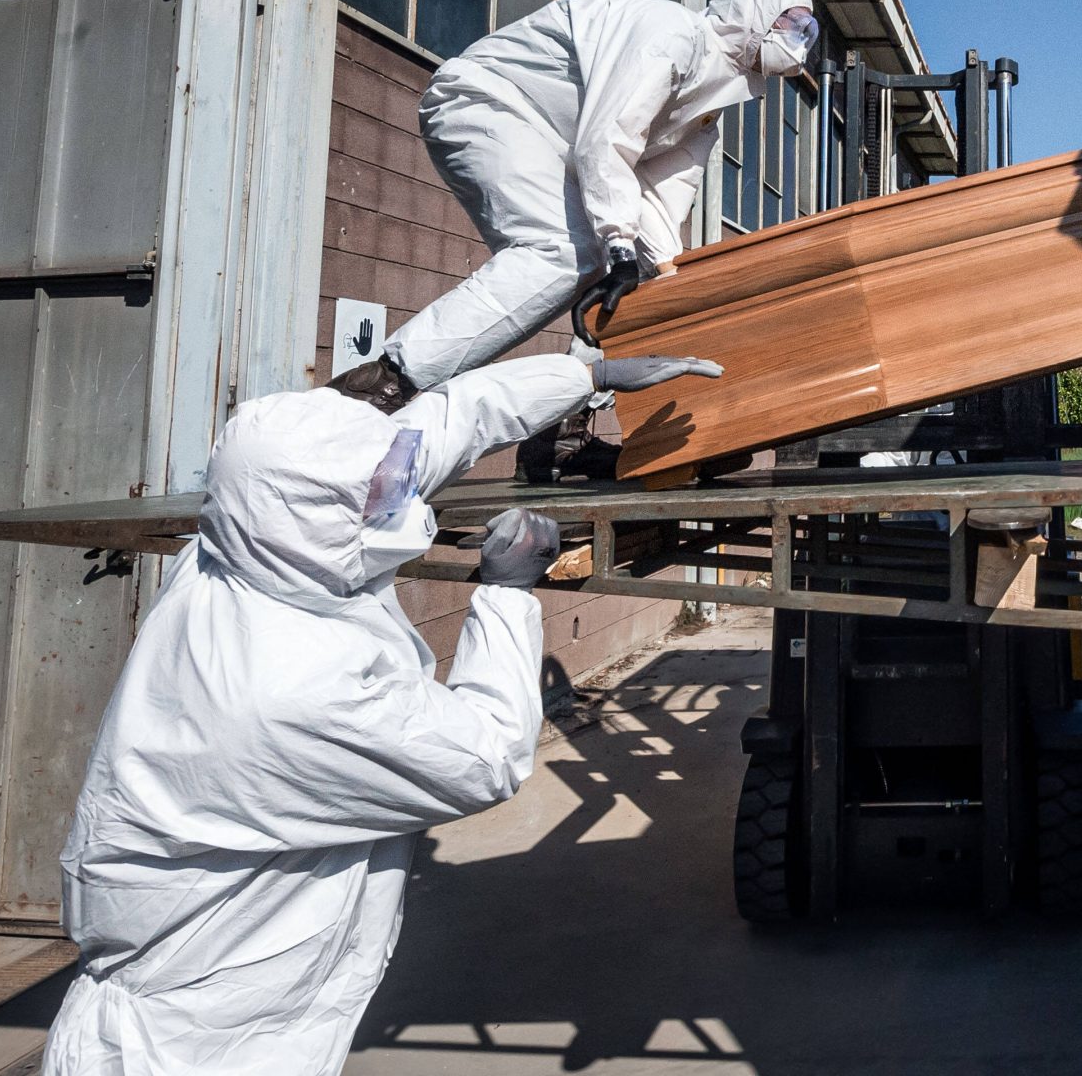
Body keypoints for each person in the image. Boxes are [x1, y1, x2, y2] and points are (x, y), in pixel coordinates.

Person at [41, 349, 720, 1075]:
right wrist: (506, 596)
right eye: (382, 486)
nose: (400, 490)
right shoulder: (294, 686)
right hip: (206, 1032)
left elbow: (443, 426)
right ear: (321, 514)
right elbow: (483, 758)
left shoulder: (233, 553)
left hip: (205, 964)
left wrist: (583, 376)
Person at [332, 0, 818, 410]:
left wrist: (671, 289)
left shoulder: (708, 112)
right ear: (757, 9)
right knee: (566, 251)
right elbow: (607, 140)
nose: (799, 40)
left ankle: (564, 426)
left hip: (557, 143)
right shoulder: (672, 35)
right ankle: (386, 380)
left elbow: (659, 216)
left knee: (628, 278)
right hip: (488, 100)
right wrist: (621, 248)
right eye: (793, 23)